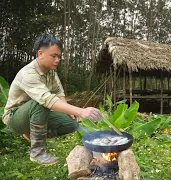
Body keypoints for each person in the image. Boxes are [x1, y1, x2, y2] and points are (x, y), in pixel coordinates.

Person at [2, 34, 103, 166]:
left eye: (59, 56)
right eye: (53, 56)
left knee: (71, 123)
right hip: (14, 117)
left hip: (34, 113)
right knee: (40, 104)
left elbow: (59, 92)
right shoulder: (29, 74)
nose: (57, 60)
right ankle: (37, 153)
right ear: (40, 53)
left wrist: (69, 111)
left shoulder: (51, 72)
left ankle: (32, 133)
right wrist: (81, 111)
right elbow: (47, 100)